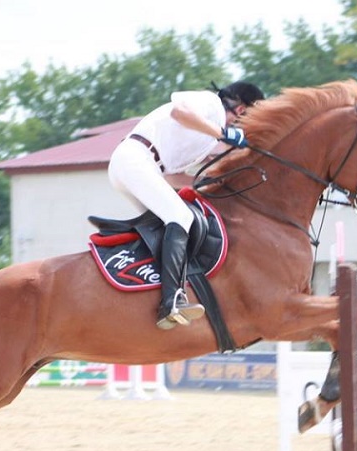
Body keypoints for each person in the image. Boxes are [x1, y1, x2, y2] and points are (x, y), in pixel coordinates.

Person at [108, 81, 265, 330]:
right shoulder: (209, 103)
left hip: (142, 166)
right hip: (135, 159)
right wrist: (223, 134)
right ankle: (171, 300)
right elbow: (178, 112)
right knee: (181, 218)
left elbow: (177, 177)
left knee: (173, 222)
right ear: (242, 110)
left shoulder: (206, 139)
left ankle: (150, 284)